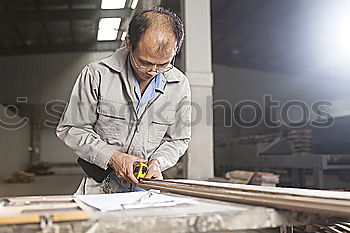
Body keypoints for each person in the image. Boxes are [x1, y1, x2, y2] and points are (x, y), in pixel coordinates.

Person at [56, 7, 191, 194]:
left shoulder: (179, 84)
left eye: (162, 64)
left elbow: (179, 139)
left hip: (147, 190)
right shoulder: (96, 75)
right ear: (129, 43)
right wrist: (112, 157)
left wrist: (158, 162)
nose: (152, 72)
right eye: (144, 62)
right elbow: (71, 129)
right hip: (101, 190)